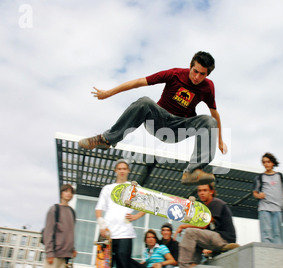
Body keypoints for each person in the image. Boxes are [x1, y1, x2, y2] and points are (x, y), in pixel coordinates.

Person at [78, 51, 228, 186]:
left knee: (209, 121)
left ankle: (192, 172)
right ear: (190, 66)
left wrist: (219, 140)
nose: (197, 77)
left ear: (207, 74)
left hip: (179, 128)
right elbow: (138, 82)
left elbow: (215, 114)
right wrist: (108, 93)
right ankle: (106, 139)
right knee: (145, 102)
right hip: (158, 121)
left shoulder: (208, 87)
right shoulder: (174, 74)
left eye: (202, 74)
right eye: (195, 71)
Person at [161, 183, 239, 268]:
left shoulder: (215, 203)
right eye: (199, 191)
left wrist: (183, 226)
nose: (202, 193)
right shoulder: (205, 208)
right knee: (195, 239)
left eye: (205, 190)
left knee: (190, 232)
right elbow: (205, 230)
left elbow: (204, 224)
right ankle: (194, 264)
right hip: (216, 238)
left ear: (211, 192)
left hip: (223, 238)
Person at [95, 159, 145, 268]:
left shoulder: (133, 187)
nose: (122, 171)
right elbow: (99, 209)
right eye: (119, 168)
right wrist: (101, 224)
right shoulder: (107, 188)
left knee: (123, 266)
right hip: (109, 235)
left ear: (128, 171)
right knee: (106, 267)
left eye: (124, 168)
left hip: (125, 233)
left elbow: (146, 205)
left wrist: (136, 216)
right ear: (116, 171)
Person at [38, 184, 78, 268]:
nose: (68, 194)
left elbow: (69, 233)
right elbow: (48, 232)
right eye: (66, 191)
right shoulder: (54, 209)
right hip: (54, 255)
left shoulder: (71, 212)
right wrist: (49, 253)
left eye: (71, 192)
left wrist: (73, 249)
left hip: (64, 256)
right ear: (61, 193)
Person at [253, 152, 283, 244]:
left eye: (268, 162)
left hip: (277, 209)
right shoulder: (260, 177)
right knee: (266, 233)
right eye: (264, 162)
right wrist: (259, 195)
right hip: (264, 208)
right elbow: (254, 192)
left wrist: (282, 198)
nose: (266, 164)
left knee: (277, 233)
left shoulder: (279, 176)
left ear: (273, 163)